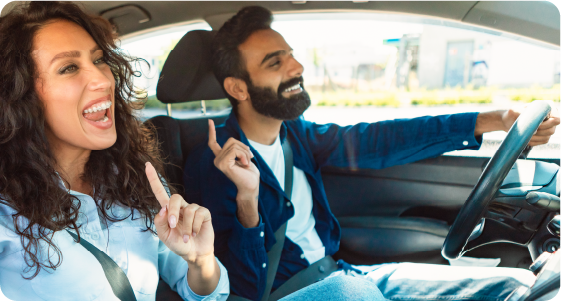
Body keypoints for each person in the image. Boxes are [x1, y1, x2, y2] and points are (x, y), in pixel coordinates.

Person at [183, 5, 561, 301]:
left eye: (291, 55)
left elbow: (383, 139)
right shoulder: (214, 165)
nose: (297, 67)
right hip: (293, 293)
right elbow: (240, 289)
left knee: (515, 285)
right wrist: (248, 201)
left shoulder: (296, 134)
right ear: (238, 88)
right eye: (275, 62)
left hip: (344, 274)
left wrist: (489, 119)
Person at [0, 1, 229, 300]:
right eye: (68, 68)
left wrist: (200, 261)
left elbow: (210, 294)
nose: (101, 79)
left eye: (98, 60)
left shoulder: (136, 176)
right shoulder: (6, 211)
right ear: (20, 96)